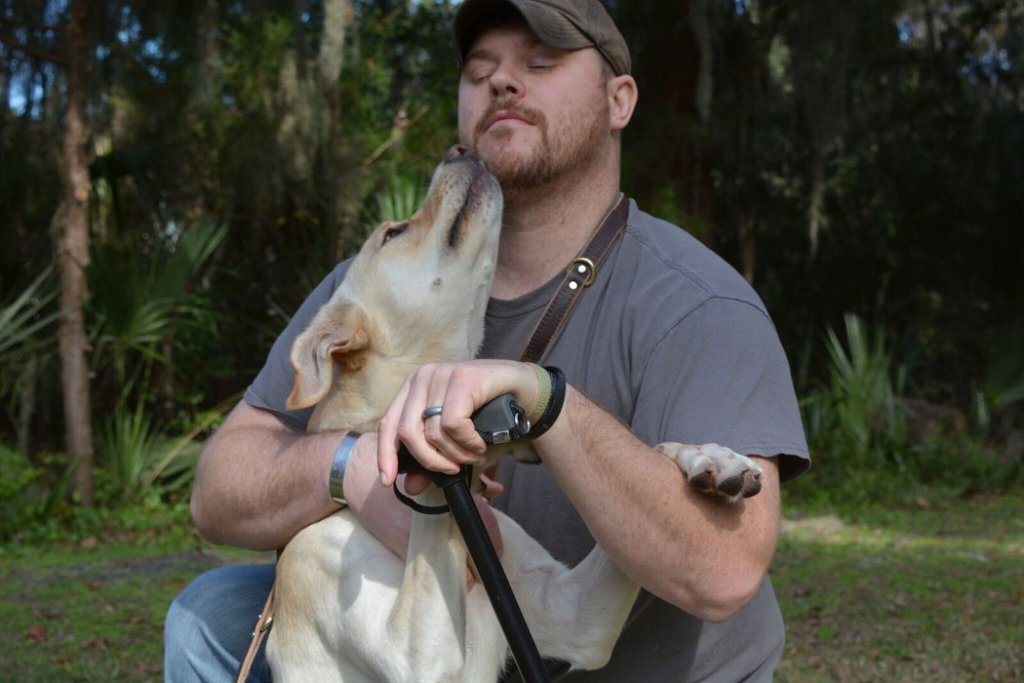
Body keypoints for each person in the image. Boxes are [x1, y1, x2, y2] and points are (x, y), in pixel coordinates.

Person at [164, 0, 810, 681]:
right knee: (210, 613)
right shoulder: (373, 291)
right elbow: (215, 493)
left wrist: (557, 413)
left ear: (620, 100)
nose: (502, 82)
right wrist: (356, 466)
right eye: (480, 71)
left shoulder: (698, 305)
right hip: (465, 647)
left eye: (539, 62)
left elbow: (724, 573)